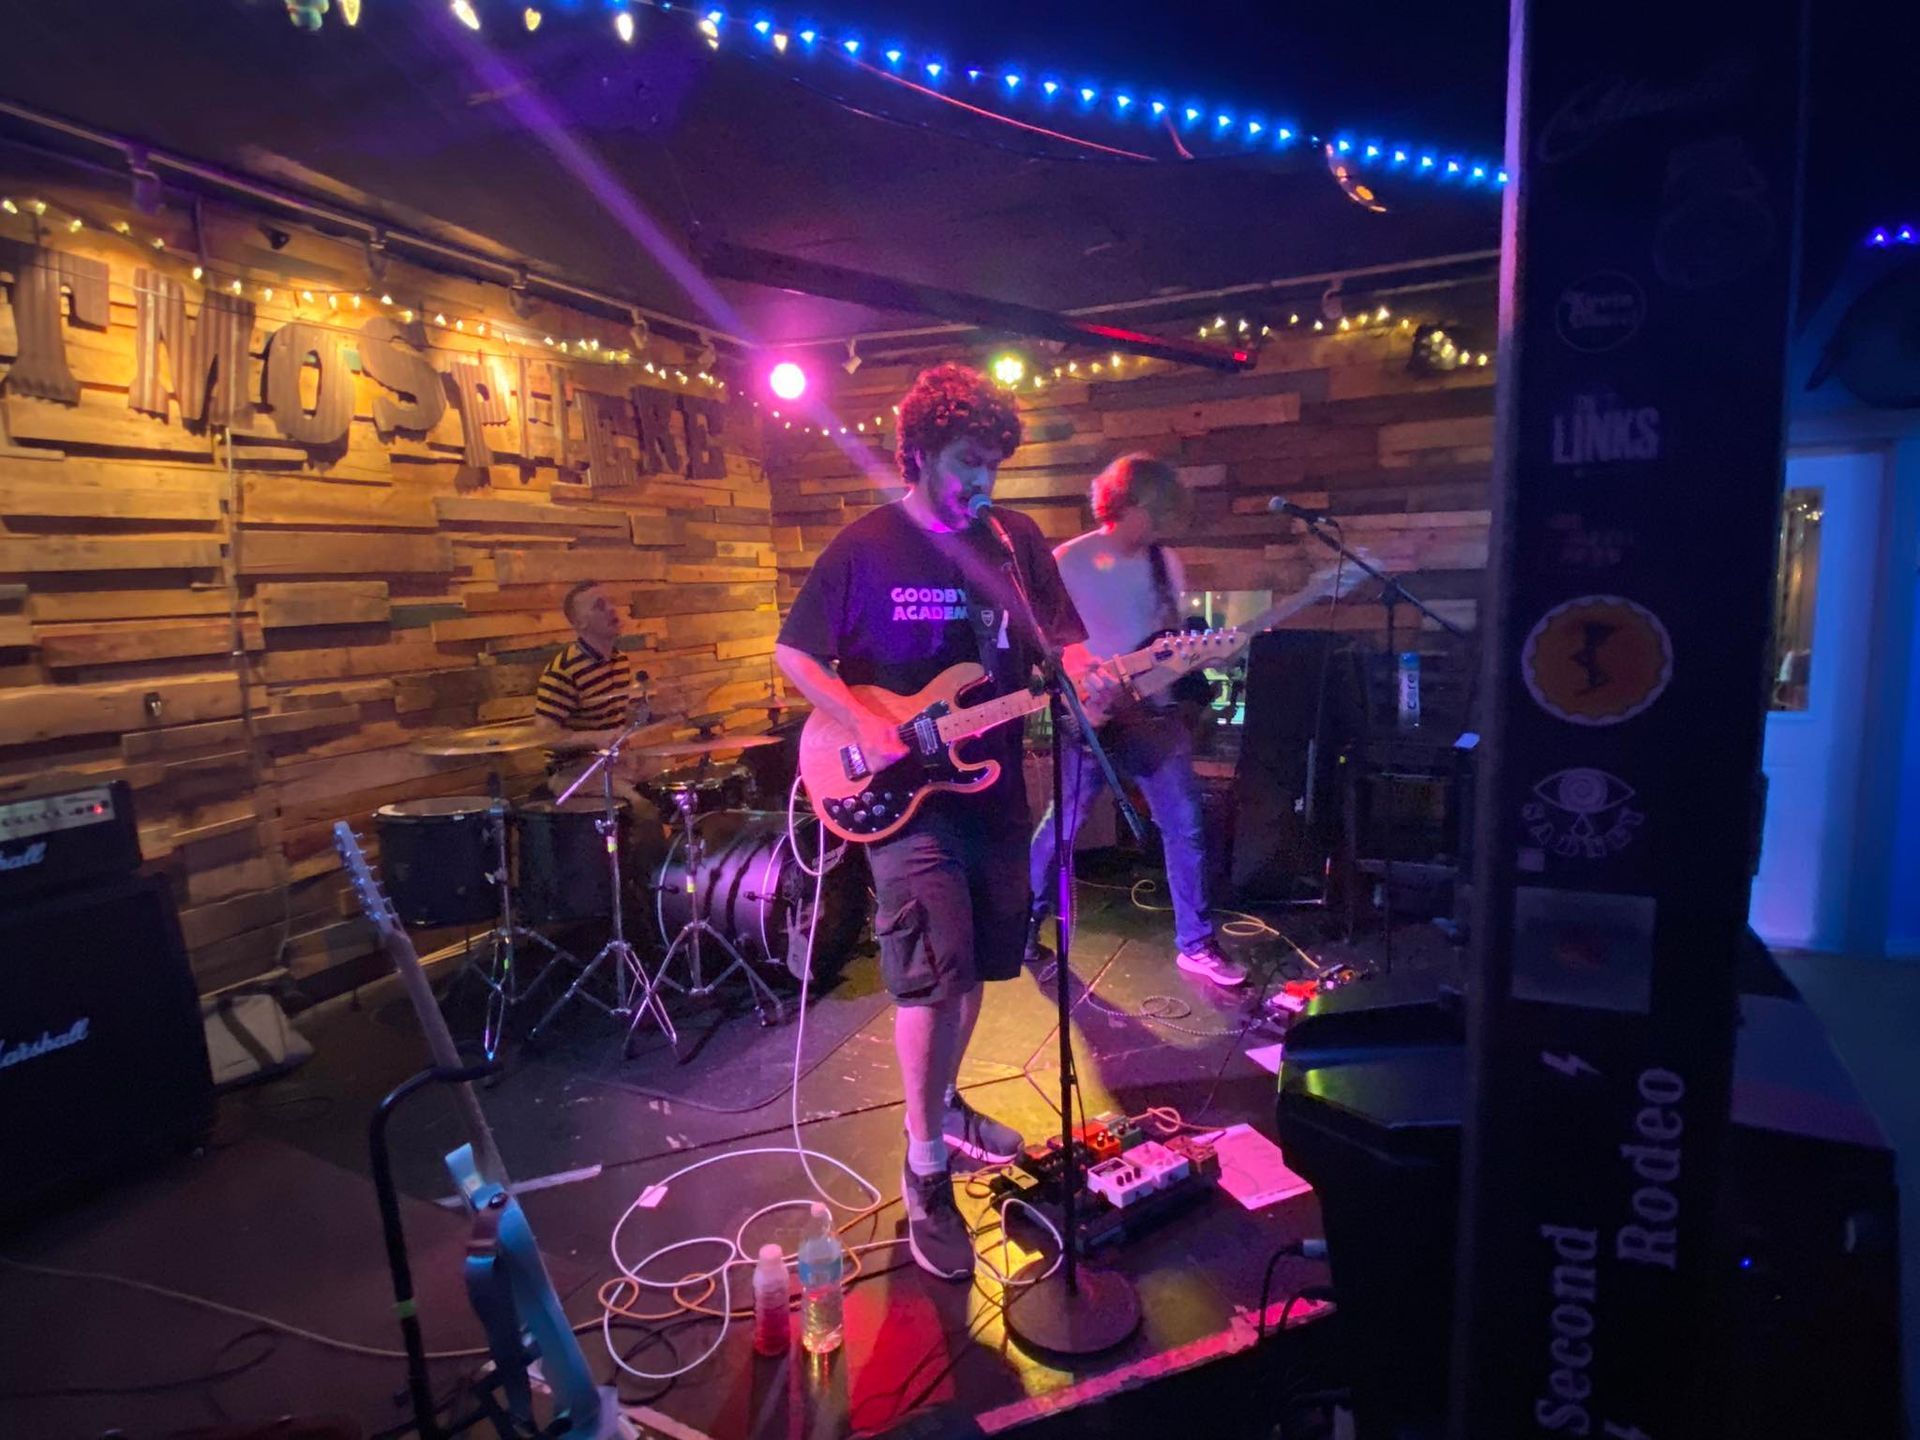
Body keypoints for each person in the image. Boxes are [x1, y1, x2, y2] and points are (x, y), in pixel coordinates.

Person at [774, 363, 1088, 1282]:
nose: (982, 481)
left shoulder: (1013, 541)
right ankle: (923, 1163)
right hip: (899, 796)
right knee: (930, 968)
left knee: (983, 959)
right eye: (966, 461)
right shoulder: (866, 545)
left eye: (993, 463)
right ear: (916, 453)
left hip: (989, 785)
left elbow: (1060, 645)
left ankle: (943, 1103)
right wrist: (866, 719)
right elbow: (794, 652)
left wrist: (1093, 673)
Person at [1025, 454, 1250, 987]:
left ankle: (1195, 943)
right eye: (1158, 508)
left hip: (1155, 714)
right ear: (1132, 503)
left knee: (1185, 825)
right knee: (1063, 826)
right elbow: (1046, 642)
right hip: (1091, 716)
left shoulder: (1165, 563)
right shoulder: (1068, 561)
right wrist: (1086, 675)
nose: (1164, 520)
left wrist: (1203, 655)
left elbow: (1166, 642)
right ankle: (1020, 929)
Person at [532, 580, 655, 803]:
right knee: (640, 807)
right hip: (573, 771)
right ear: (580, 623)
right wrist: (597, 738)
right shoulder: (563, 670)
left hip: (611, 760)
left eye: (610, 602)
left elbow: (610, 713)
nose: (611, 609)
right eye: (599, 605)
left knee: (673, 780)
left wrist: (652, 714)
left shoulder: (619, 660)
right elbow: (544, 736)